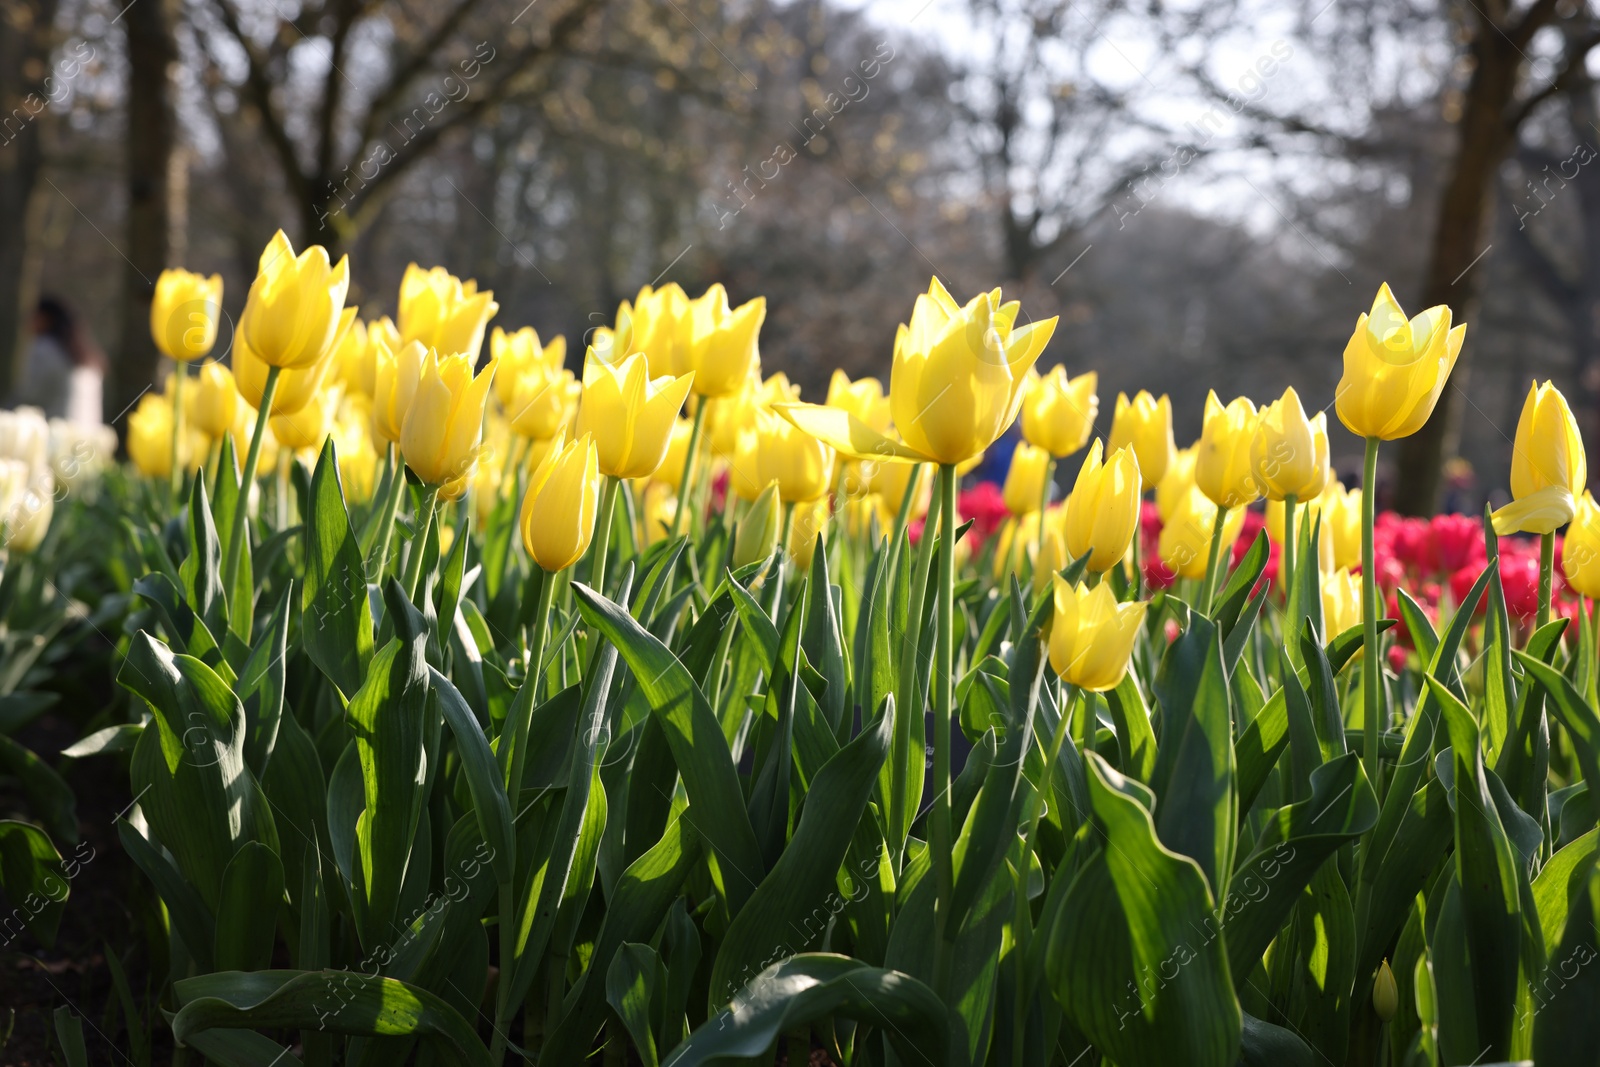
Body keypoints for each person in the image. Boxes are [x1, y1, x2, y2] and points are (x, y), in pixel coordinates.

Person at [16, 296, 105, 424]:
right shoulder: (87, 357)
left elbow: (30, 394)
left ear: (44, 318)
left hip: (55, 430)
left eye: (33, 317)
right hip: (88, 434)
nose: (28, 323)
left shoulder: (43, 348)